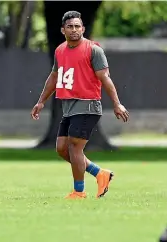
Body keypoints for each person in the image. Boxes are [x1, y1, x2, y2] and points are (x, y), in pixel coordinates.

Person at [30, 11, 129, 199]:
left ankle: (79, 191)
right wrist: (41, 101)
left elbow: (105, 78)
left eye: (77, 26)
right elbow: (54, 76)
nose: (74, 30)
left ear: (83, 28)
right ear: (63, 30)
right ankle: (100, 173)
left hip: (88, 104)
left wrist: (117, 104)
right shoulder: (60, 50)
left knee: (75, 147)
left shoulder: (93, 50)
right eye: (70, 26)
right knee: (61, 148)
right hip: (68, 107)